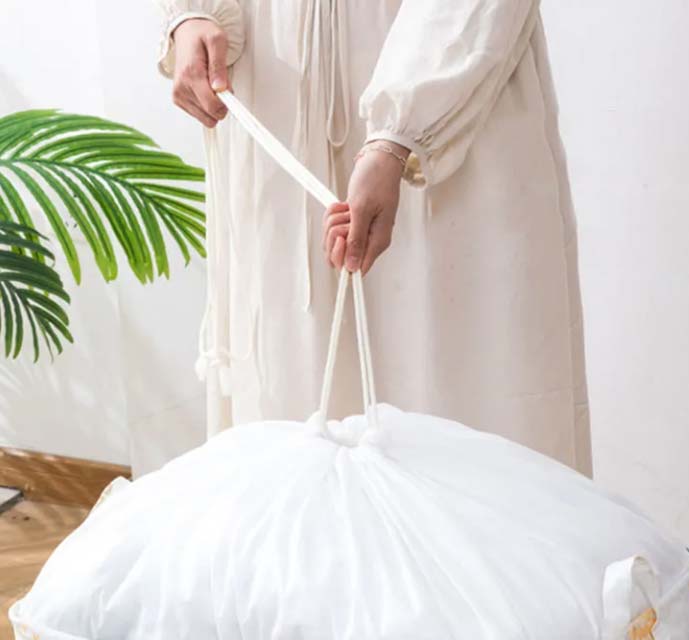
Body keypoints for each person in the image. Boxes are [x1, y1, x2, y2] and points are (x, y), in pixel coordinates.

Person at [157, 0, 592, 475]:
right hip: (276, 93)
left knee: (463, 402)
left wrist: (399, 134)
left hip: (451, 87)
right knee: (295, 418)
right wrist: (192, 15)